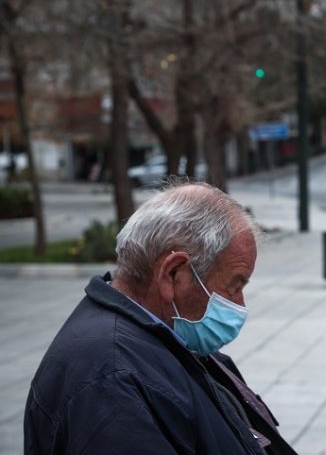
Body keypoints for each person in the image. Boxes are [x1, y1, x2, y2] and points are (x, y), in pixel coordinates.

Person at [24, 183, 299, 455]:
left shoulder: (163, 341)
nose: (240, 304)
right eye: (235, 285)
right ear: (172, 274)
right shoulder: (112, 381)